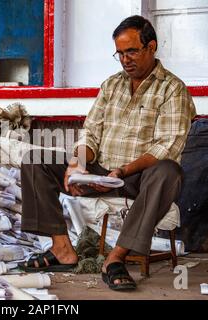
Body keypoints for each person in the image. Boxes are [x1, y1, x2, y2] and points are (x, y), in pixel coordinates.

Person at [18, 15, 196, 291]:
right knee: (36, 160)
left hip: (138, 178)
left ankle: (115, 259)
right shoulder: (112, 85)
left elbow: (166, 147)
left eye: (132, 51)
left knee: (169, 171)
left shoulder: (173, 90)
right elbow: (91, 132)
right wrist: (77, 165)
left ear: (151, 47)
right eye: (120, 53)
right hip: (100, 171)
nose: (126, 60)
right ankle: (62, 249)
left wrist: (122, 172)